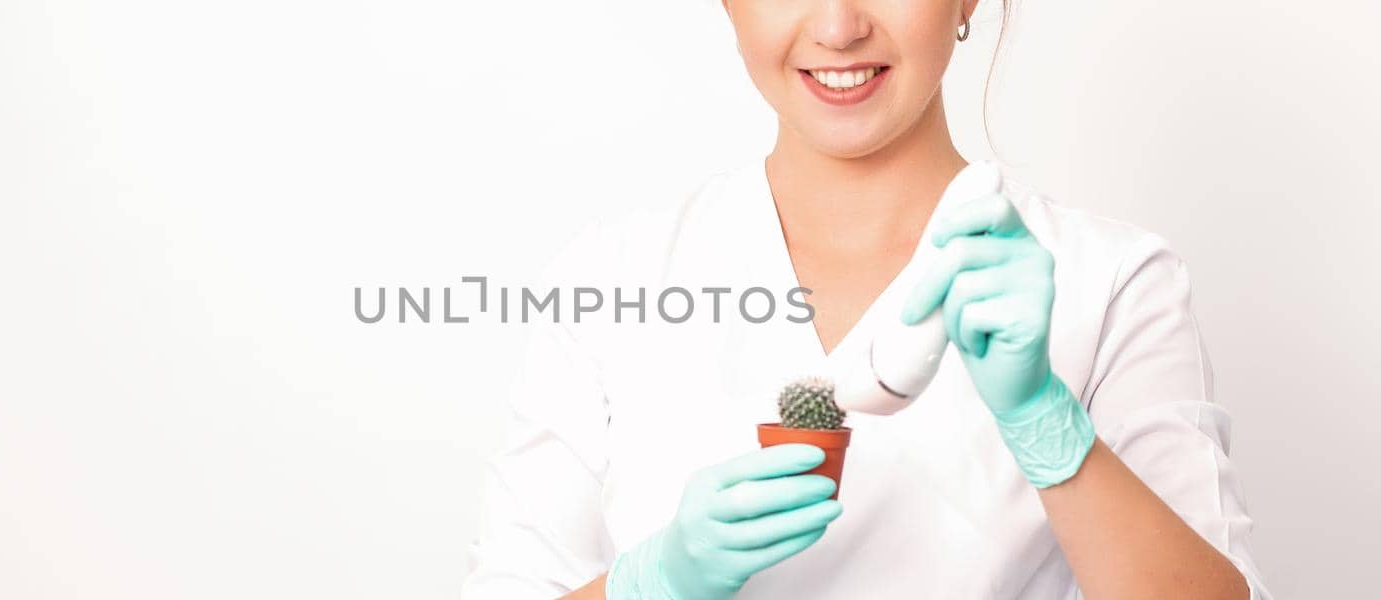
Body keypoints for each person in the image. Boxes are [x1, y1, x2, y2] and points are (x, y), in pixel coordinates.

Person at [462, 1, 1271, 598]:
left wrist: (1048, 431)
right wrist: (654, 582)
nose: (840, 26)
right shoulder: (614, 280)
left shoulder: (1112, 283)